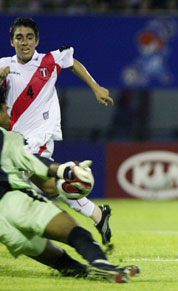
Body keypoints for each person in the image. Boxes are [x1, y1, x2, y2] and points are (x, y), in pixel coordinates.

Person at [0, 88, 139, 283]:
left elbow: (43, 182)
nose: (9, 113)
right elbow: (33, 163)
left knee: (48, 254)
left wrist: (59, 185)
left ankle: (85, 270)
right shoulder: (7, 138)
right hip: (14, 203)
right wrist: (67, 171)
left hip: (2, 228)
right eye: (5, 110)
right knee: (75, 232)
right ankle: (101, 263)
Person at [0, 17, 113, 245]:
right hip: (12, 141)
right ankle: (97, 213)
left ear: (37, 40)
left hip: (39, 137)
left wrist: (95, 87)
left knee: (17, 185)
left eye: (29, 37)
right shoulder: (3, 65)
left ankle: (73, 232)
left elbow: (73, 62)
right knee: (49, 188)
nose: (25, 42)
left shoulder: (49, 60)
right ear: (11, 41)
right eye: (19, 38)